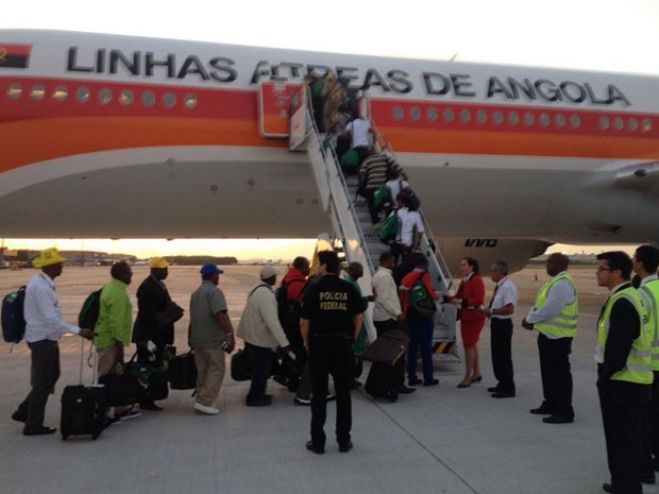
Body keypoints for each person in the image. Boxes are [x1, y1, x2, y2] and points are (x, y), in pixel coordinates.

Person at [12, 248, 94, 435]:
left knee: (51, 376)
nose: (62, 266)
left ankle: (24, 411)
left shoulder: (41, 282)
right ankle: (32, 424)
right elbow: (51, 319)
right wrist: (78, 331)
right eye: (59, 263)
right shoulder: (41, 288)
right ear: (51, 266)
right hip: (42, 339)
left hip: (45, 337)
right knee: (43, 381)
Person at [595, 251, 653, 494]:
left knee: (621, 439)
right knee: (626, 437)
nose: (597, 273)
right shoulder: (628, 295)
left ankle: (627, 486)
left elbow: (619, 346)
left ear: (617, 272)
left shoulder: (623, 301)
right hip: (631, 381)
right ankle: (624, 482)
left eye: (601, 269)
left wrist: (605, 375)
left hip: (623, 382)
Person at [300, 251, 365, 454]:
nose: (318, 268)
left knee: (318, 395)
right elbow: (359, 316)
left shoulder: (314, 288)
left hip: (319, 344)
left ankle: (318, 442)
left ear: (324, 267)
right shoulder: (348, 288)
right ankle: (344, 441)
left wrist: (307, 343)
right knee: (343, 394)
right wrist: (352, 338)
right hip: (342, 345)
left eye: (319, 265)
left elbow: (304, 321)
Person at [522, 253, 577, 423]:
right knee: (548, 373)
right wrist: (531, 317)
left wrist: (530, 320)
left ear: (559, 265)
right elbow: (540, 305)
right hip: (548, 335)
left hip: (558, 337)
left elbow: (551, 309)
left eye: (550, 263)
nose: (547, 266)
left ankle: (564, 411)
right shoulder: (553, 282)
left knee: (559, 375)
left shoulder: (562, 284)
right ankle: (550, 403)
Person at [237, 266, 291, 407]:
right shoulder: (266, 295)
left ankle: (259, 394)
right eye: (274, 276)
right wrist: (284, 342)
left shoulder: (256, 289)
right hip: (259, 338)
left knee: (259, 369)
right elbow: (272, 321)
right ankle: (254, 398)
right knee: (262, 369)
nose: (276, 279)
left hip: (251, 335)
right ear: (271, 278)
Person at [95, 261, 141, 422]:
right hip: (111, 341)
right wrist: (120, 347)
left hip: (105, 339)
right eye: (129, 272)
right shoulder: (118, 293)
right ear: (122, 274)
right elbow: (117, 323)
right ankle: (102, 410)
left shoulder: (111, 288)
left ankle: (118, 408)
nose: (131, 275)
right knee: (107, 376)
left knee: (114, 374)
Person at [132, 256, 179, 411]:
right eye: (163, 269)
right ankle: (145, 399)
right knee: (147, 367)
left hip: (157, 335)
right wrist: (170, 313)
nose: (167, 271)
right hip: (149, 336)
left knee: (155, 365)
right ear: (154, 270)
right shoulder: (147, 287)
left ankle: (150, 396)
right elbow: (149, 315)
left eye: (166, 268)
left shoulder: (158, 284)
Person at [189, 263, 235, 415]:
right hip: (212, 339)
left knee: (203, 370)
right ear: (212, 275)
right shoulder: (214, 292)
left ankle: (201, 398)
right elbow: (219, 315)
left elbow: (193, 318)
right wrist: (228, 334)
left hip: (197, 339)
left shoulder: (195, 294)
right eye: (217, 275)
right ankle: (205, 401)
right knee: (217, 368)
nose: (218, 277)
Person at [633, 245, 659, 482]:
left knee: (645, 418)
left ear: (639, 263)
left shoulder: (643, 293)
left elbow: (636, 330)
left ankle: (645, 469)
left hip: (649, 364)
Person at [372, 252, 415, 394]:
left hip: (381, 318)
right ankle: (397, 383)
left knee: (385, 352)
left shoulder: (378, 275)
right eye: (393, 260)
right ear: (389, 260)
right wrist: (398, 313)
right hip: (388, 319)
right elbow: (383, 299)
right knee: (397, 352)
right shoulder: (385, 277)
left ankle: (389, 382)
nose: (394, 263)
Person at [400, 254, 439, 387]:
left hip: (409, 316)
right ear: (424, 265)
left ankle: (412, 377)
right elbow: (431, 294)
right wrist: (437, 295)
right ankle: (428, 378)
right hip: (423, 316)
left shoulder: (406, 277)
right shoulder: (424, 276)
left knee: (411, 347)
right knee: (425, 348)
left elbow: (403, 296)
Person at [480, 261, 518, 397]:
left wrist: (492, 311)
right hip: (497, 324)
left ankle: (508, 387)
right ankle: (501, 382)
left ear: (498, 272)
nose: (490, 273)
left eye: (492, 271)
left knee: (503, 356)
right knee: (497, 355)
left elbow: (509, 308)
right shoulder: (500, 286)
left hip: (503, 325)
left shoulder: (507, 287)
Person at [451, 257, 486, 389]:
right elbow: (458, 296)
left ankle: (468, 376)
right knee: (472, 344)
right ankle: (476, 373)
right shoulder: (465, 281)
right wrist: (447, 298)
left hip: (474, 317)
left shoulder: (476, 280)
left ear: (472, 267)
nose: (461, 267)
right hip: (467, 316)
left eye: (463, 265)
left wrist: (461, 302)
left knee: (468, 346)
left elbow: (478, 299)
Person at [277, 256, 310, 395]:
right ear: (302, 267)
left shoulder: (288, 279)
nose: (308, 269)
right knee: (297, 351)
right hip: (293, 323)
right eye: (307, 266)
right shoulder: (298, 283)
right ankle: (293, 380)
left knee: (291, 351)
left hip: (286, 321)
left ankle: (285, 374)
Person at [343, 262, 372, 387]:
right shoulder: (350, 284)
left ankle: (351, 378)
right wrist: (366, 300)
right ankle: (350, 378)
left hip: (355, 321)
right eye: (360, 269)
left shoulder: (352, 283)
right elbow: (357, 304)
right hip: (354, 322)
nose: (362, 271)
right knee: (353, 352)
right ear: (353, 270)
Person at [390, 195, 424, 264]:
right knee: (406, 264)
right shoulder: (416, 215)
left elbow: (389, 222)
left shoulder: (397, 212)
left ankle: (393, 272)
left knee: (393, 263)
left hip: (395, 242)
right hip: (407, 245)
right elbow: (420, 231)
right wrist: (418, 244)